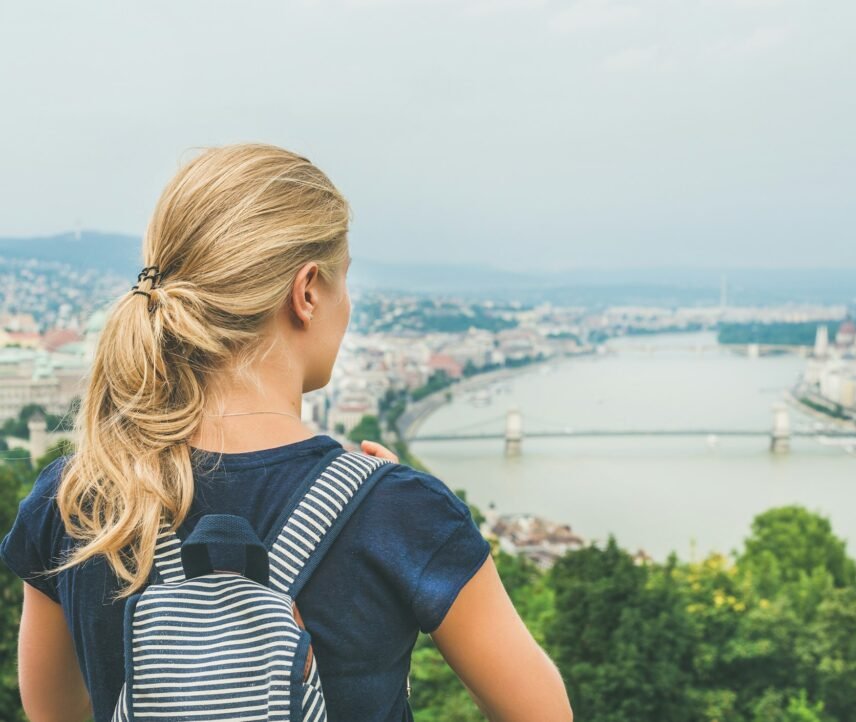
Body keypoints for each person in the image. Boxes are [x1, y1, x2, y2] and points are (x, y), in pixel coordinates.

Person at [0, 143, 573, 722]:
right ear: (306, 292)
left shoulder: (72, 502)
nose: (347, 306)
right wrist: (402, 509)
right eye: (343, 282)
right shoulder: (400, 515)